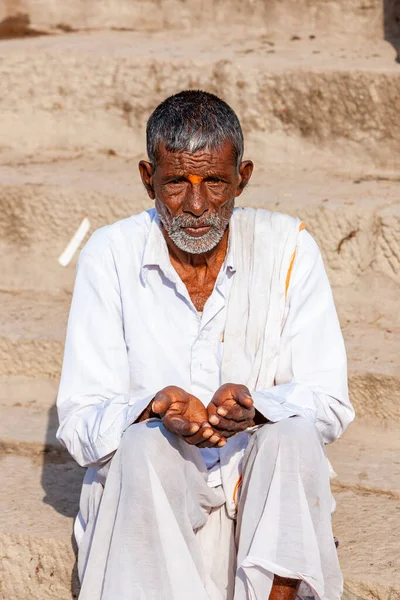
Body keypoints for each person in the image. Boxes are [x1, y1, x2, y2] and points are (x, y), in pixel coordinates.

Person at [56, 90, 354, 600]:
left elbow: (329, 405)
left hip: (259, 498)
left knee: (293, 435)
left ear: (243, 176)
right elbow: (80, 425)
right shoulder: (109, 254)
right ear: (148, 178)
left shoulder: (288, 248)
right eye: (176, 183)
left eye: (214, 182)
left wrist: (257, 409)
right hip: (153, 509)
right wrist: (148, 408)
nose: (196, 207)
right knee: (143, 443)